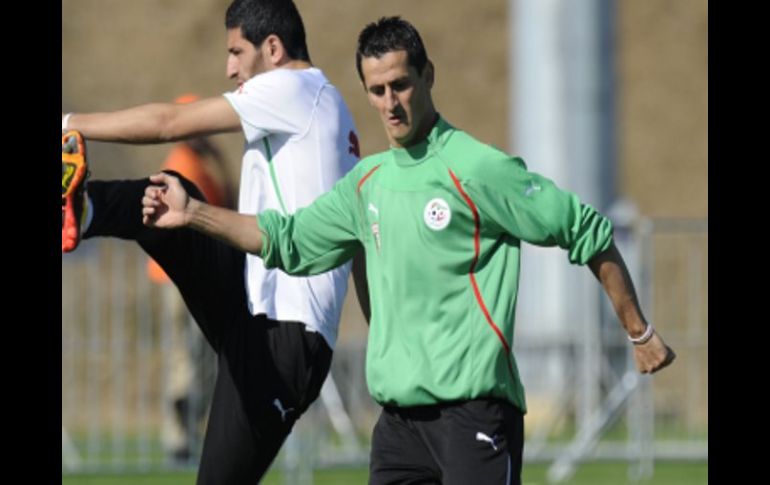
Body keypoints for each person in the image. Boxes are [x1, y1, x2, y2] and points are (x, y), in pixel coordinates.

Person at [141, 15, 676, 485]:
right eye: (376, 90)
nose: (390, 103)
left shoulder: (477, 168)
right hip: (397, 430)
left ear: (428, 77)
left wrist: (639, 332)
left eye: (400, 85)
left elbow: (586, 230)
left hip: (474, 419)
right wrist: (194, 214)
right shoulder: (368, 182)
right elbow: (289, 238)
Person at [61, 0, 361, 483]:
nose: (228, 68)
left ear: (273, 48)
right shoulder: (325, 102)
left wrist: (68, 123)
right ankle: (81, 208)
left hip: (284, 343)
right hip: (253, 306)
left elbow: (168, 123)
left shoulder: (294, 88)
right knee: (168, 198)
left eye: (236, 52)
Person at [145, 94, 233, 464]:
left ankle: (183, 431)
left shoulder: (193, 163)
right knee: (190, 355)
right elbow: (223, 207)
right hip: (182, 277)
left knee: (191, 354)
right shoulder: (187, 166)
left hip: (179, 275)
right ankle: (181, 430)